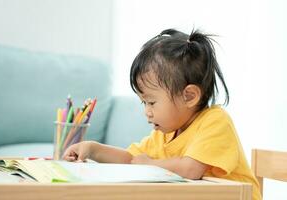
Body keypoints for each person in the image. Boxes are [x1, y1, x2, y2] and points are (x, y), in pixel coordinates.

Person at [63, 28, 261, 200]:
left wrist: (150, 164)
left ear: (189, 96)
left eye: (151, 102)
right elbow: (131, 158)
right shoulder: (164, 134)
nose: (146, 112)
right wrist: (93, 149)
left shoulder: (215, 121)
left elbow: (190, 169)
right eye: (144, 103)